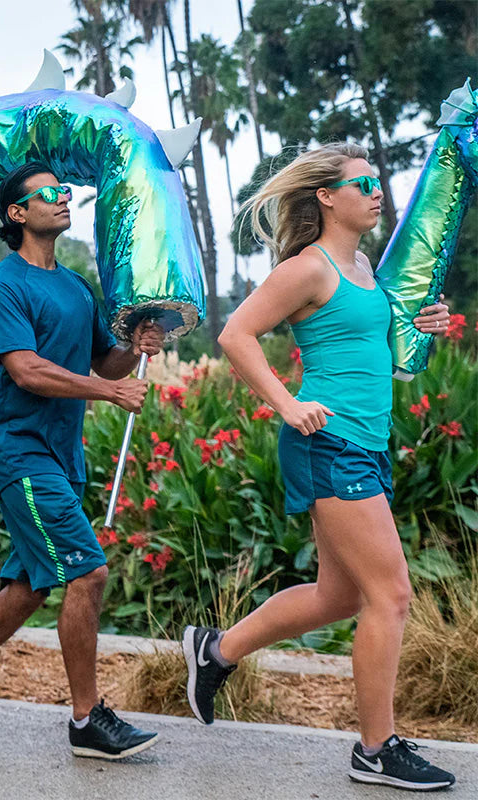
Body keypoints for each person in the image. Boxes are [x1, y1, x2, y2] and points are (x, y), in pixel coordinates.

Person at [181, 144, 456, 791]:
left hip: (366, 444)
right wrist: (287, 402)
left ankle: (215, 651)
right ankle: (376, 749)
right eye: (363, 184)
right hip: (328, 443)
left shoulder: (362, 269)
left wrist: (422, 325)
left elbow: (372, 350)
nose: (377, 192)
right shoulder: (309, 267)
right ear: (327, 197)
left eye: (378, 182)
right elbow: (235, 334)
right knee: (391, 595)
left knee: (339, 597)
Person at [0, 162, 164, 759]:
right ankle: (86, 720)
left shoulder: (76, 286)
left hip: (62, 454)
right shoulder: (5, 285)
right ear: (17, 213)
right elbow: (25, 370)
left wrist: (133, 348)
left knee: (28, 587)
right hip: (20, 452)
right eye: (49, 193)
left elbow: (103, 362)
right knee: (88, 573)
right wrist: (109, 392)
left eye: (65, 190)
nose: (63, 197)